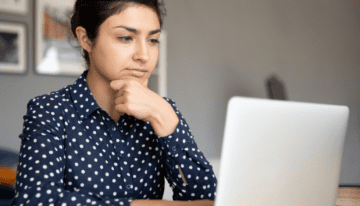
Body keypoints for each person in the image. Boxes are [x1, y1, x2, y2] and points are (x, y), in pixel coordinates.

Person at [12, 0, 217, 205]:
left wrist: (163, 115)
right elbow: (33, 201)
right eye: (126, 38)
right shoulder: (50, 111)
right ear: (86, 39)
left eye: (153, 40)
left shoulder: (161, 110)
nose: (144, 56)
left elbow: (206, 199)